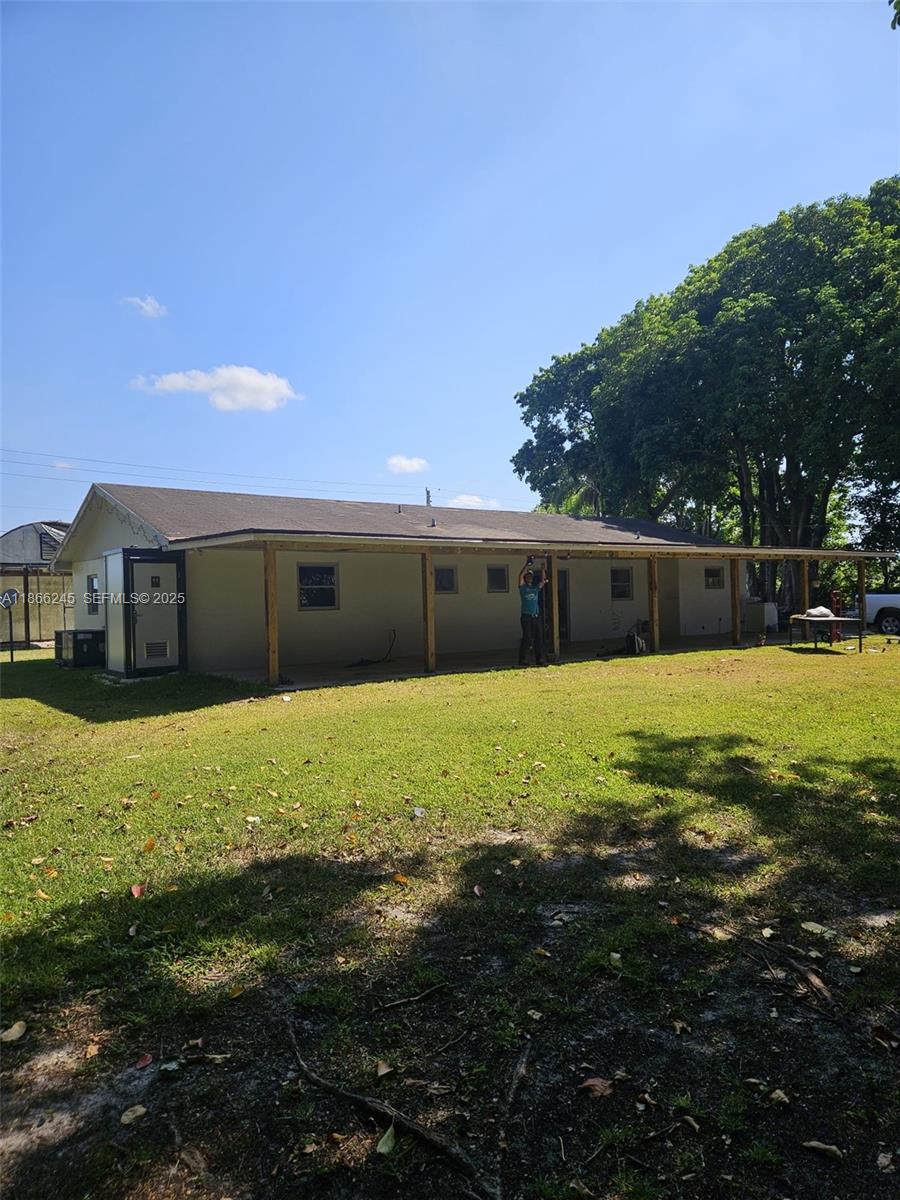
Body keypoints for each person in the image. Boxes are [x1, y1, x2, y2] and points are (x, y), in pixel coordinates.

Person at [518, 558, 548, 666]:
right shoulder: (523, 588)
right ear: (526, 578)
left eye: (531, 576)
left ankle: (539, 659)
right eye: (528, 576)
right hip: (526, 617)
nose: (529, 577)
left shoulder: (535, 588)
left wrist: (543, 569)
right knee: (527, 637)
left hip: (536, 616)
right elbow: (520, 575)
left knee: (538, 638)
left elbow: (543, 581)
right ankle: (523, 660)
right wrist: (527, 565)